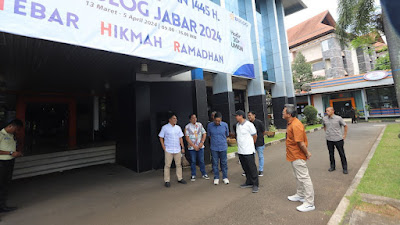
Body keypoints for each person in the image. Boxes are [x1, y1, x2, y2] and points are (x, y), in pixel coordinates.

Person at [283, 104, 315, 212]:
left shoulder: (295, 125)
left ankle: (309, 203)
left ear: (289, 114)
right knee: (298, 176)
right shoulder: (290, 123)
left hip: (298, 155)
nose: (282, 113)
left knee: (304, 178)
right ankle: (300, 195)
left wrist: (307, 153)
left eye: (284, 112)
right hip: (293, 155)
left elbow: (301, 143)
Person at [0, 119, 24, 212]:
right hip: (1, 163)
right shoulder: (0, 134)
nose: (17, 131)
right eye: (16, 129)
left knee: (5, 185)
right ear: (11, 126)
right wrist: (10, 152)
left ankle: (2, 206)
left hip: (10, 163)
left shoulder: (11, 135)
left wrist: (16, 153)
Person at [159, 112, 187, 188]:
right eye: (174, 118)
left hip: (177, 149)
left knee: (178, 165)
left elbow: (180, 138)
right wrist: (164, 147)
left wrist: (183, 147)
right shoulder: (165, 127)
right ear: (170, 119)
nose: (175, 120)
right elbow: (161, 137)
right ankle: (167, 180)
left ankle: (180, 178)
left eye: (176, 118)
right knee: (167, 165)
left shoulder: (178, 127)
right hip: (169, 149)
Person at [235, 110, 259, 193]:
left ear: (241, 116)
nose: (236, 117)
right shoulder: (237, 125)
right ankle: (248, 182)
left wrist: (251, 144)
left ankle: (255, 184)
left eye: (237, 115)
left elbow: (255, 135)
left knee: (252, 168)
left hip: (248, 150)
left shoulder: (249, 125)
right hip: (241, 151)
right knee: (245, 167)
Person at [322, 107, 348, 174]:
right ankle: (332, 166)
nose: (327, 112)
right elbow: (324, 126)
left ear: (333, 111)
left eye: (328, 111)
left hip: (338, 139)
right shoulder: (324, 119)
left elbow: (345, 126)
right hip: (329, 139)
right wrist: (327, 132)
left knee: (341, 153)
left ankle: (345, 168)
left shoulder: (338, 118)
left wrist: (344, 135)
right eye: (326, 111)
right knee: (331, 153)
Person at [185, 114, 209, 181]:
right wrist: (193, 146)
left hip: (200, 146)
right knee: (193, 161)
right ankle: (193, 175)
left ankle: (204, 173)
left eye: (195, 117)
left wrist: (202, 142)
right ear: (190, 119)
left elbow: (204, 133)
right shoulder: (187, 127)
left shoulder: (199, 125)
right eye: (193, 118)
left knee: (201, 160)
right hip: (192, 147)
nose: (194, 119)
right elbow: (187, 137)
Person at [207, 112, 229, 185]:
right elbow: (209, 135)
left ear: (221, 120)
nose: (217, 122)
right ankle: (216, 177)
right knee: (215, 163)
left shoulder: (225, 125)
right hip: (214, 147)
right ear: (213, 119)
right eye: (216, 121)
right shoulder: (210, 126)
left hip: (223, 146)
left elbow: (226, 135)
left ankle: (225, 177)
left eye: (218, 121)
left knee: (224, 162)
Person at [247, 111, 266, 176]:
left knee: (260, 156)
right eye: (248, 115)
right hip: (251, 143)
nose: (249, 117)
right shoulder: (247, 124)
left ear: (254, 115)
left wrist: (260, 137)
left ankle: (261, 170)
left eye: (250, 115)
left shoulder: (259, 122)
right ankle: (251, 170)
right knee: (251, 157)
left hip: (259, 142)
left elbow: (263, 131)